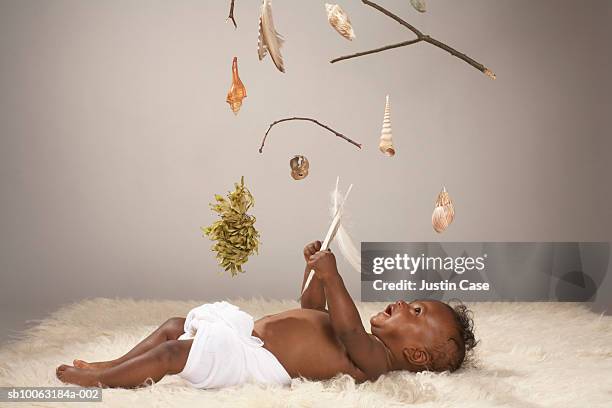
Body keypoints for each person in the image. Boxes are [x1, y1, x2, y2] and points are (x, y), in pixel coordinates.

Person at [56, 241, 477, 388]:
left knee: (174, 354)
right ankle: (114, 364)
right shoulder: (362, 339)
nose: (403, 303)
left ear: (417, 356)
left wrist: (334, 276)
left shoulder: (374, 361)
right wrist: (315, 272)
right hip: (250, 337)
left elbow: (347, 330)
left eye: (416, 310)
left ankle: (102, 382)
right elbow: (311, 309)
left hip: (257, 363)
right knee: (173, 326)